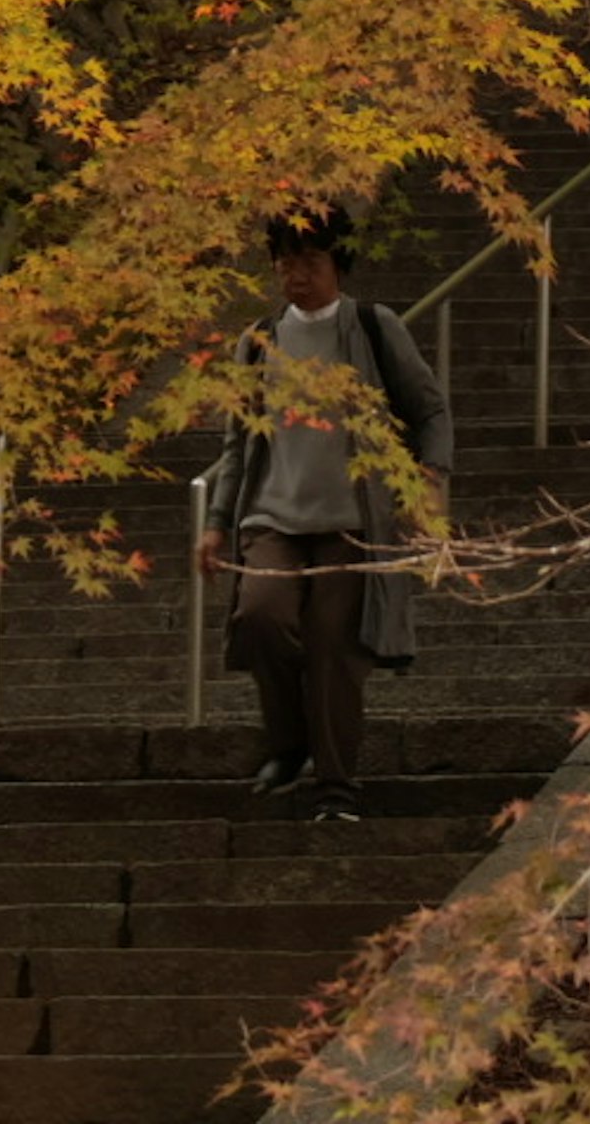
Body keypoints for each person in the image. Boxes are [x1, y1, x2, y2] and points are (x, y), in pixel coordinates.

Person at [195, 206, 453, 823]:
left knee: (335, 649)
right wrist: (214, 522)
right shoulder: (256, 342)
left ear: (337, 263)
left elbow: (431, 411)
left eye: (309, 262)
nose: (295, 276)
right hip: (270, 517)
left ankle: (336, 786)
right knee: (258, 617)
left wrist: (430, 482)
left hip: (352, 523)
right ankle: (289, 745)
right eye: (285, 264)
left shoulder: (371, 326)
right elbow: (238, 445)